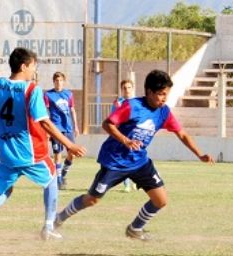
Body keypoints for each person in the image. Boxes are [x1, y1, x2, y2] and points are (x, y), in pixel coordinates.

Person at [54, 70, 214, 240]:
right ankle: (58, 218)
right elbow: (107, 124)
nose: (164, 98)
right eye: (161, 94)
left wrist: (199, 154)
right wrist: (126, 141)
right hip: (115, 162)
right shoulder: (132, 106)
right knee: (92, 199)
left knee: (161, 200)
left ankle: (135, 228)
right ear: (149, 92)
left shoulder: (164, 112)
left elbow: (181, 133)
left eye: (166, 94)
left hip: (140, 162)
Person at [0, 47, 86, 241]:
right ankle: (49, 227)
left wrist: (5, 121)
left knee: (3, 189)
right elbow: (44, 121)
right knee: (51, 179)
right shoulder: (31, 90)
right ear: (23, 66)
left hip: (5, 152)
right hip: (31, 152)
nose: (34, 71)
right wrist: (70, 144)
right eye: (33, 66)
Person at [44, 71, 79, 190]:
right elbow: (46, 113)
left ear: (64, 82)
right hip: (56, 128)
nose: (58, 83)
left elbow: (72, 110)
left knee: (72, 154)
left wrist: (76, 126)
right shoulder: (48, 95)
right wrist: (47, 130)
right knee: (57, 154)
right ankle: (58, 180)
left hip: (68, 127)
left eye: (60, 81)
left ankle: (63, 173)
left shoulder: (68, 94)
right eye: (56, 81)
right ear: (53, 82)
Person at [112, 79, 136, 192]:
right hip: (122, 136)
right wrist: (117, 109)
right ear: (122, 90)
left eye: (129, 87)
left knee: (135, 158)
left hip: (136, 135)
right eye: (124, 88)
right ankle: (127, 184)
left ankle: (136, 181)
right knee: (123, 159)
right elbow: (112, 120)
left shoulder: (137, 102)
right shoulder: (118, 103)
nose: (127, 90)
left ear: (133, 88)